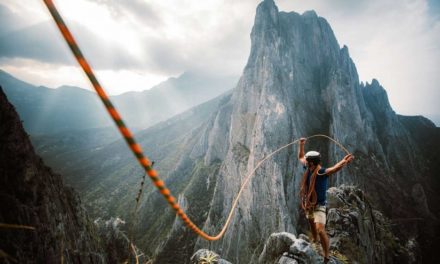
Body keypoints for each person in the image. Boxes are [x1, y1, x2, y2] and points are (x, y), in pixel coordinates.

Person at [298, 137, 354, 263]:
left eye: (307, 161)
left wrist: (345, 161)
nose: (305, 162)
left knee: (320, 230)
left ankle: (326, 256)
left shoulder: (321, 172)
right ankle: (315, 241)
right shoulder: (308, 169)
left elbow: (334, 169)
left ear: (311, 163)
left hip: (319, 206)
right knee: (312, 224)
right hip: (309, 205)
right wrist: (301, 144)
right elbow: (301, 156)